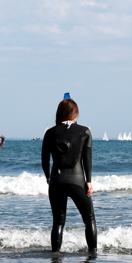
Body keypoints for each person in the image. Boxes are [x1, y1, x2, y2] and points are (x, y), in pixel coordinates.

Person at [41, 98, 97, 253]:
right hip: (77, 181)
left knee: (58, 222)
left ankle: (55, 256)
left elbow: (44, 159)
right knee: (89, 220)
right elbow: (87, 159)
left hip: (56, 181)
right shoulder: (84, 131)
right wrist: (89, 181)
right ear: (75, 114)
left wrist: (48, 177)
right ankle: (92, 256)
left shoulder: (50, 133)